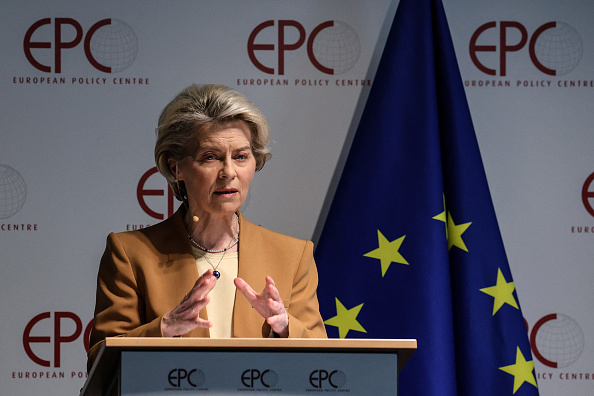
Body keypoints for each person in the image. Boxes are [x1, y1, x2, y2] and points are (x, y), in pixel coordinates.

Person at [87, 84, 327, 370]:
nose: (229, 172)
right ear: (176, 168)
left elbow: (322, 367)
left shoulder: (292, 255)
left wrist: (285, 327)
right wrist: (164, 329)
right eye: (210, 157)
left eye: (240, 156)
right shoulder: (131, 254)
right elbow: (101, 366)